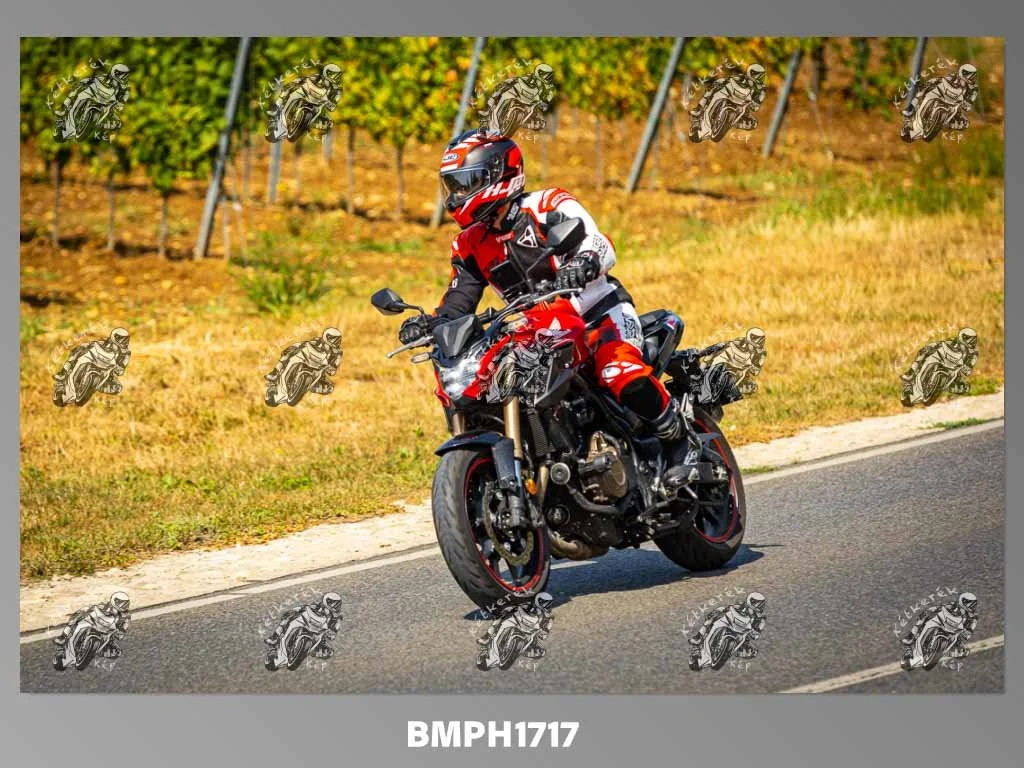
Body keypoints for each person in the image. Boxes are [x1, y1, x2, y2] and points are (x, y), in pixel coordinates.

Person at [400, 130, 694, 482]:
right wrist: (430, 324)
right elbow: (457, 301)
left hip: (599, 316)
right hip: (542, 332)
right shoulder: (469, 243)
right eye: (453, 186)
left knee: (618, 372)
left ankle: (680, 440)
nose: (456, 195)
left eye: (465, 183)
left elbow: (599, 243)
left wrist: (583, 262)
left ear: (498, 174)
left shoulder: (546, 205)